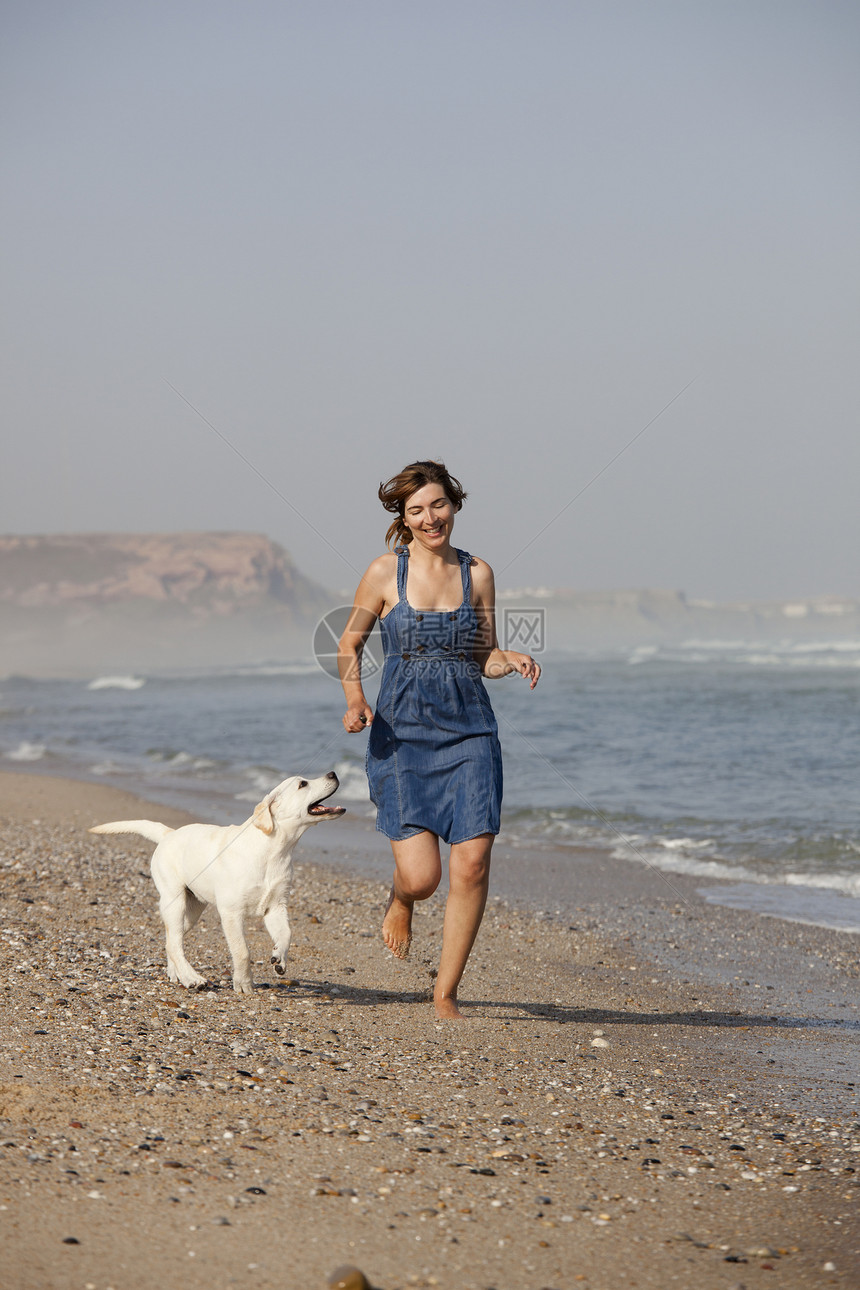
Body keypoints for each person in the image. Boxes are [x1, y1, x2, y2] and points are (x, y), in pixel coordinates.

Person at [339, 460, 540, 1020]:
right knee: (424, 877)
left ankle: (446, 993)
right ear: (403, 520)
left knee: (472, 864)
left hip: (470, 731)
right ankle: (401, 898)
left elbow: (482, 654)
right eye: (416, 510)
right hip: (401, 736)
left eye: (438, 505)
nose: (431, 518)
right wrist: (356, 700)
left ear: (454, 504)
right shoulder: (385, 573)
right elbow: (349, 645)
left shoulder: (479, 574)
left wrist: (510, 659)